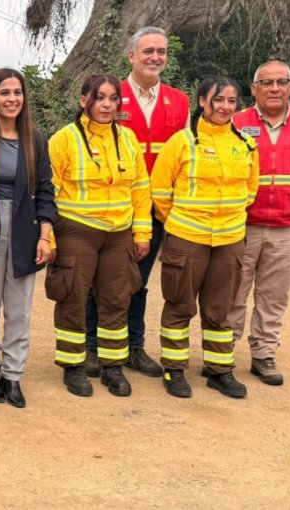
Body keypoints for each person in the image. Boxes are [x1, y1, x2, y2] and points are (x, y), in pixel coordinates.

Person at [85, 26, 189, 379]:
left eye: (161, 51)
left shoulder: (180, 101)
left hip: (155, 210)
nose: (155, 57)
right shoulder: (112, 94)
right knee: (99, 281)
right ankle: (93, 348)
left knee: (137, 280)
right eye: (148, 51)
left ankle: (133, 346)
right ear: (131, 56)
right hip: (110, 207)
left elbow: (186, 159)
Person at [151, 76, 259, 398]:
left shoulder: (245, 145)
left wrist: (230, 220)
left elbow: (249, 190)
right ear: (202, 101)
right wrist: (180, 221)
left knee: (220, 309)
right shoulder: (182, 142)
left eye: (231, 100)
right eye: (218, 99)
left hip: (228, 241)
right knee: (179, 304)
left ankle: (219, 372)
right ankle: (174, 370)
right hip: (187, 237)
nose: (225, 107)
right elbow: (160, 189)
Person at [46, 74, 151, 398]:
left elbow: (140, 188)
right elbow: (47, 192)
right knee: (73, 298)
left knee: (117, 299)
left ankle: (112, 366)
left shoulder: (128, 138)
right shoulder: (63, 140)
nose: (107, 105)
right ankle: (74, 366)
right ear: (83, 101)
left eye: (113, 98)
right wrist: (48, 237)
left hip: (118, 233)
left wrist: (142, 231)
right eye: (99, 97)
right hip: (77, 230)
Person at [228, 60, 290, 385]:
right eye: (266, 83)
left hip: (286, 228)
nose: (274, 88)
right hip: (240, 225)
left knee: (273, 296)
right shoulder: (236, 121)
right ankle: (222, 354)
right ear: (253, 89)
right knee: (232, 292)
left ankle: (264, 355)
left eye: (281, 82)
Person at [0, 68, 56, 408]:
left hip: (25, 227)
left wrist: (45, 236)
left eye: (17, 92)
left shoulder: (35, 139)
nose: (12, 99)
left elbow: (46, 189)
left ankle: (13, 374)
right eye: (4, 93)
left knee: (20, 308)